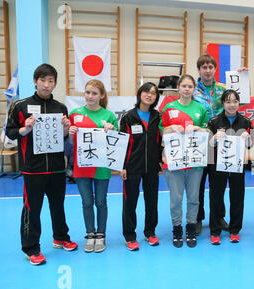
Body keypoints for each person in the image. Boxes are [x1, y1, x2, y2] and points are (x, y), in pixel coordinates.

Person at [6, 63, 77, 265]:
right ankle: (31, 249)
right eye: (43, 80)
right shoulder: (20, 106)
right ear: (35, 81)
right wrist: (24, 129)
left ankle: (60, 237)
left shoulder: (61, 108)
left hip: (56, 167)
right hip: (33, 168)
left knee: (58, 206)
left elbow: (63, 139)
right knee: (32, 209)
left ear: (55, 83)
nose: (47, 84)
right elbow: (10, 133)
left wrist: (65, 129)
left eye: (51, 81)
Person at [69, 79, 118, 253]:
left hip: (102, 166)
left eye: (94, 93)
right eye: (88, 92)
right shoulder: (75, 114)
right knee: (87, 202)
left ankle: (101, 235)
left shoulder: (109, 116)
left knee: (101, 201)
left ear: (102, 95)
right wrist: (69, 132)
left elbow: (115, 143)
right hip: (81, 166)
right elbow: (68, 141)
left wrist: (111, 130)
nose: (90, 96)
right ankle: (90, 234)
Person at [160, 74, 208, 248]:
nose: (187, 89)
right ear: (178, 88)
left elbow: (207, 132)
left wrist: (198, 128)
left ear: (194, 89)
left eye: (190, 86)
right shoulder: (169, 108)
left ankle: (190, 226)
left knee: (194, 198)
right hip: (174, 161)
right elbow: (161, 133)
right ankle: (177, 228)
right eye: (184, 86)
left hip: (195, 161)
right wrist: (170, 127)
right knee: (176, 198)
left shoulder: (200, 108)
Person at [119, 82, 162, 250]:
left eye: (153, 93)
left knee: (152, 201)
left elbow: (160, 141)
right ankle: (130, 236)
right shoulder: (128, 117)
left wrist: (160, 159)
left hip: (151, 167)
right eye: (146, 91)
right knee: (130, 202)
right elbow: (122, 144)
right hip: (132, 167)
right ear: (140, 93)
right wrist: (122, 166)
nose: (149, 95)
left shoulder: (157, 116)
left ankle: (150, 232)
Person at [207, 90, 253, 245]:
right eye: (228, 101)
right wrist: (213, 138)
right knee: (216, 198)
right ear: (223, 103)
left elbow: (251, 145)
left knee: (237, 198)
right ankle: (215, 231)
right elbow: (207, 146)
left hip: (237, 166)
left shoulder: (246, 122)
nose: (231, 105)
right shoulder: (214, 121)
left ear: (239, 103)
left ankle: (234, 230)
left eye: (235, 101)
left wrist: (247, 140)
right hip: (218, 166)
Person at [193, 54, 228, 235]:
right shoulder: (192, 90)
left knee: (218, 184)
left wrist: (243, 77)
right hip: (198, 142)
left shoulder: (223, 89)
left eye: (210, 67)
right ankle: (197, 218)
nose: (207, 70)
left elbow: (240, 100)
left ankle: (218, 217)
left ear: (215, 69)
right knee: (197, 183)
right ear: (199, 69)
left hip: (220, 141)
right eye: (204, 67)